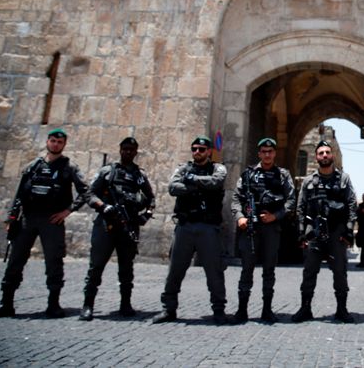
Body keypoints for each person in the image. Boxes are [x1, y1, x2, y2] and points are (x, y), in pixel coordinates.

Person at [0, 128, 89, 318]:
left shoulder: (69, 167)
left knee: (54, 261)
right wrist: (12, 217)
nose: (55, 144)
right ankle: (6, 302)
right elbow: (20, 193)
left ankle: (53, 304)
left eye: (59, 142)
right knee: (15, 260)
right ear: (47, 142)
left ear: (64, 145)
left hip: (51, 220)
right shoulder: (34, 166)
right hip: (28, 219)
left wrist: (67, 211)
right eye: (53, 141)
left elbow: (85, 192)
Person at [152, 136, 228, 325]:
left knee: (214, 271)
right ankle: (168, 309)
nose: (197, 152)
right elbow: (173, 187)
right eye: (194, 149)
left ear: (209, 151)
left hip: (208, 227)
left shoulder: (218, 168)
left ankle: (219, 310)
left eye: (202, 149)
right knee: (175, 270)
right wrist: (197, 187)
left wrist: (193, 180)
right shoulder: (183, 168)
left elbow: (216, 182)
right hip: (185, 227)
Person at [79, 137, 155, 321]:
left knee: (126, 268)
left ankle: (125, 304)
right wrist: (102, 206)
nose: (128, 152)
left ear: (136, 152)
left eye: (131, 150)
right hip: (107, 224)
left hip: (128, 226)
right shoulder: (108, 172)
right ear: (120, 150)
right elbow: (89, 193)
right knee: (96, 266)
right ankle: (88, 305)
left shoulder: (139, 175)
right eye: (125, 149)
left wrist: (146, 214)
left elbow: (151, 198)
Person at [291, 140, 357, 324]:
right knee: (309, 273)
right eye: (321, 153)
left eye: (328, 152)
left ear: (333, 155)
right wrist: (302, 233)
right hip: (315, 235)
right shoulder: (308, 182)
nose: (325, 155)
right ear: (316, 157)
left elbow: (352, 205)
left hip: (337, 234)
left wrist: (349, 232)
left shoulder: (343, 179)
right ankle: (305, 308)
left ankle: (342, 309)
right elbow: (301, 208)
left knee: (340, 273)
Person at [231, 137, 295, 324]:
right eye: (264, 151)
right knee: (247, 269)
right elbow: (236, 198)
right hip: (250, 228)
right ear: (259, 153)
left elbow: (291, 201)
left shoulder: (283, 175)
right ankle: (242, 310)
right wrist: (240, 217)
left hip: (271, 228)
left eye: (270, 151)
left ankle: (267, 310)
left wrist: (275, 216)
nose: (267, 154)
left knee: (269, 270)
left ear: (274, 153)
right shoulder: (248, 175)